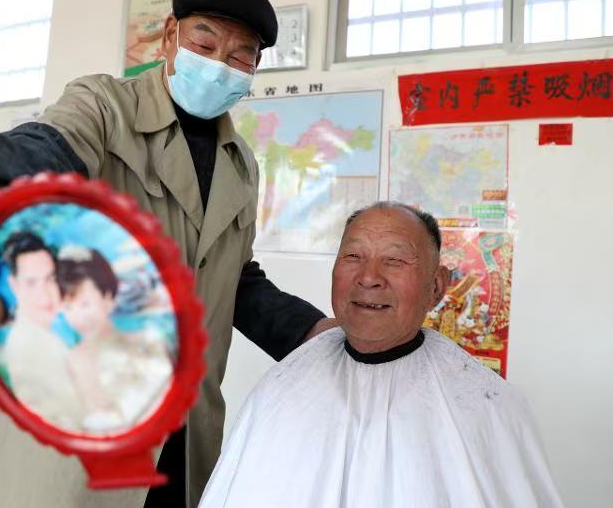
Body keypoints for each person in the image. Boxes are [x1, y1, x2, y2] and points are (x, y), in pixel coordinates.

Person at [0, 0, 336, 508]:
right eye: (205, 44)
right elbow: (47, 148)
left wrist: (312, 332)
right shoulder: (104, 108)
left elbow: (231, 278)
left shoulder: (241, 164)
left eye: (241, 57)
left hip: (184, 431)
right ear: (169, 36)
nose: (220, 65)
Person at [198, 202, 564, 508]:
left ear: (436, 286)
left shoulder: (490, 406)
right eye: (353, 256)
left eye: (394, 260)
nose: (369, 277)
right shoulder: (279, 389)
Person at [55, 245, 173, 434]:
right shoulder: (71, 359)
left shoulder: (141, 343)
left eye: (85, 304)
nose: (79, 316)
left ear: (108, 297)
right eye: (68, 307)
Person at [0, 232, 85, 430]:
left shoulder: (48, 335)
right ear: (14, 285)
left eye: (50, 279)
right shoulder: (28, 346)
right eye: (31, 283)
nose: (45, 294)